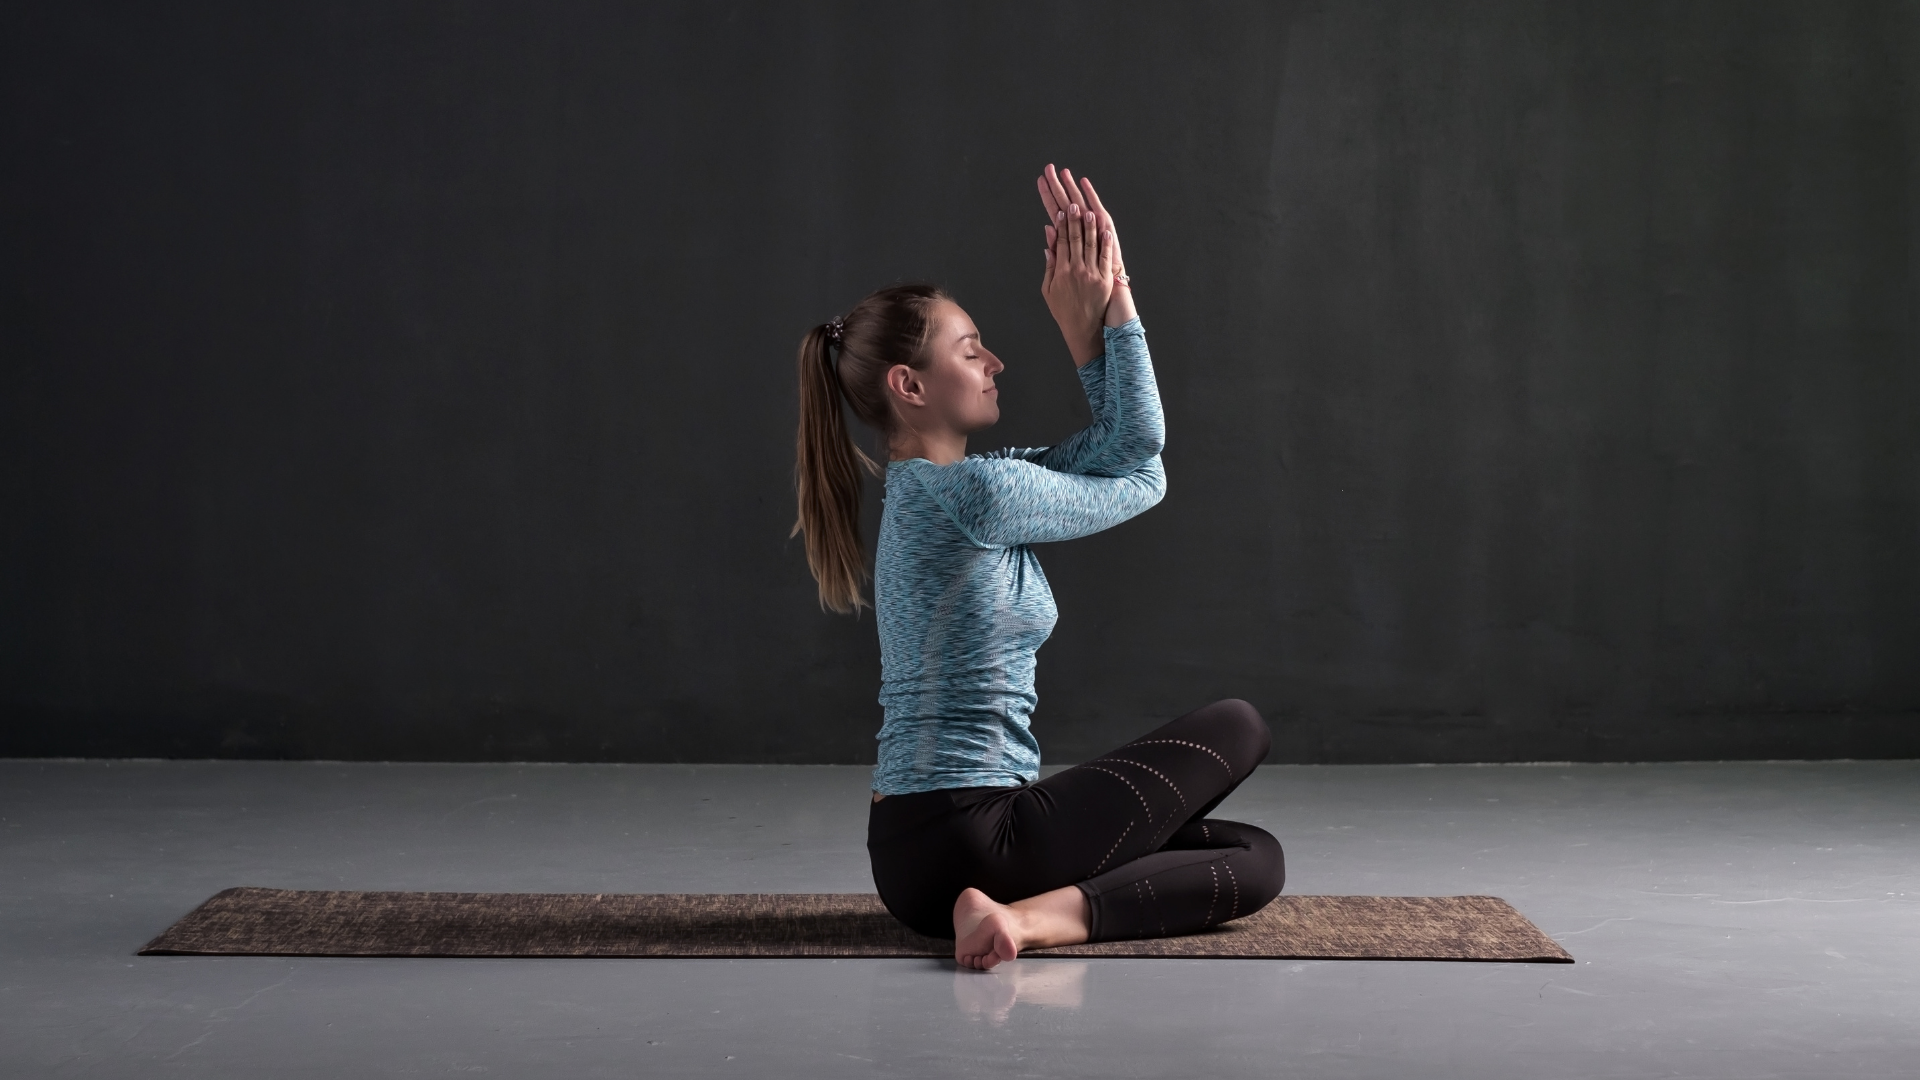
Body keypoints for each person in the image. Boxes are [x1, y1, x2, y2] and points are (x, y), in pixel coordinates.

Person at [792, 165, 1284, 971]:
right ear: (909, 385)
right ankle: (1022, 924)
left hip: (913, 857)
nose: (995, 362)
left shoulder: (951, 488)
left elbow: (1129, 453)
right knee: (1240, 725)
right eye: (970, 348)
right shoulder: (979, 493)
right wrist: (1104, 311)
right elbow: (1146, 473)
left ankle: (1005, 913)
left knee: (1250, 854)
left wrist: (1103, 304)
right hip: (977, 831)